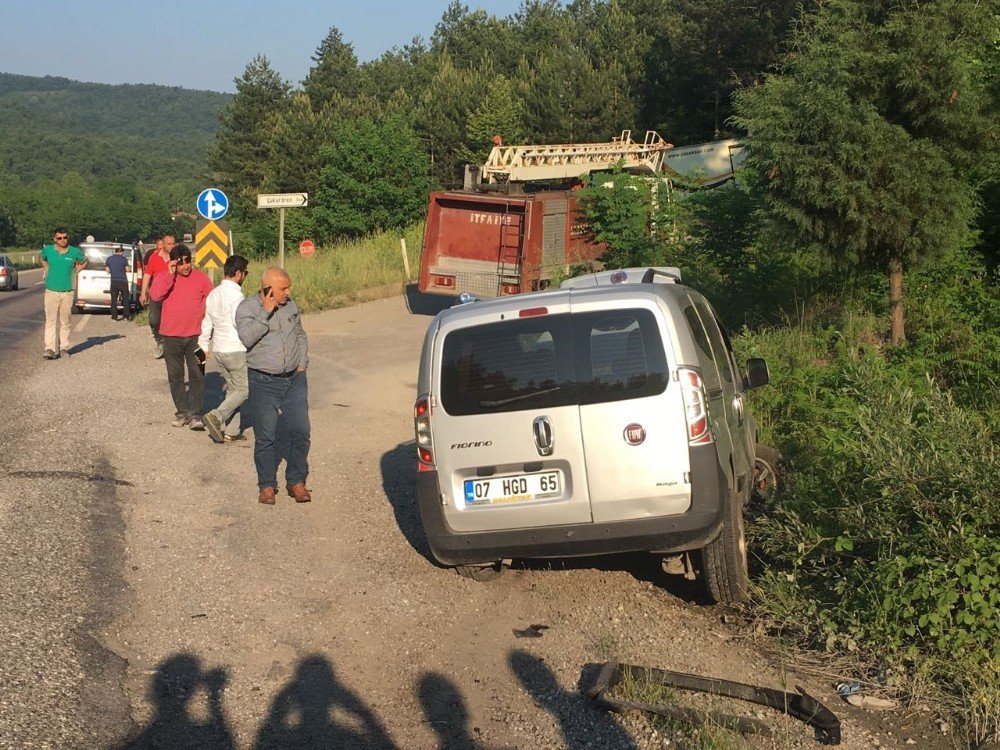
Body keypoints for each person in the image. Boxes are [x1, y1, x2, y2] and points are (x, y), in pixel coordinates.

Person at [235, 267, 311, 505]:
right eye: (283, 288)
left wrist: (302, 362)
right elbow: (246, 338)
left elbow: (300, 334)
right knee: (266, 437)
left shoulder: (290, 305)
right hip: (263, 382)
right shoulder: (247, 308)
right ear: (267, 288)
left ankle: (296, 481)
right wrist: (265, 313)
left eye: (289, 287)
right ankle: (267, 485)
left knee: (301, 432)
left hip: (294, 380)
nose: (288, 292)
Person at [150, 244, 214, 429]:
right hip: (170, 337)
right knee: (175, 376)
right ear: (173, 263)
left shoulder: (201, 279)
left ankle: (196, 415)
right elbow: (155, 295)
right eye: (181, 262)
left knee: (198, 375)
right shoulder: (165, 277)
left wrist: (210, 333)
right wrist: (169, 275)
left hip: (197, 337)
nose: (186, 266)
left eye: (188, 261)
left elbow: (213, 301)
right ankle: (182, 413)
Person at [198, 255, 250, 444]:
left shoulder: (214, 293)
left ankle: (231, 431)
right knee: (244, 390)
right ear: (238, 273)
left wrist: (203, 346)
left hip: (218, 348)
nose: (245, 276)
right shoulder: (236, 295)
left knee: (232, 390)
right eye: (245, 273)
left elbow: (207, 322)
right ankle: (216, 416)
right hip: (234, 347)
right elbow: (240, 324)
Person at [39, 227, 86, 360]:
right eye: (59, 238)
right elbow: (42, 258)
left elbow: (84, 261)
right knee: (50, 321)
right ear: (55, 239)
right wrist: (46, 268)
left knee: (65, 321)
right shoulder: (48, 250)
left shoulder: (74, 251)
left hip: (67, 291)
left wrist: (78, 269)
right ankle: (50, 348)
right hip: (51, 291)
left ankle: (64, 348)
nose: (63, 240)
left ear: (68, 238)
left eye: (65, 237)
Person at [140, 236, 173, 359]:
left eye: (173, 244)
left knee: (170, 321)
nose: (171, 246)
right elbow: (147, 275)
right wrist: (143, 293)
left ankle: (170, 346)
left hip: (171, 295)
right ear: (162, 245)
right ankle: (160, 340)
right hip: (156, 294)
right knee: (154, 320)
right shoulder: (154, 257)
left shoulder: (176, 258)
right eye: (169, 244)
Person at [105, 245, 132, 321]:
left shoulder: (109, 259)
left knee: (113, 300)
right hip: (123, 281)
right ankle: (126, 317)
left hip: (114, 282)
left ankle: (114, 317)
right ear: (122, 252)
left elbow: (107, 270)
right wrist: (128, 269)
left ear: (115, 252)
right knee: (125, 299)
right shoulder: (124, 259)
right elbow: (127, 270)